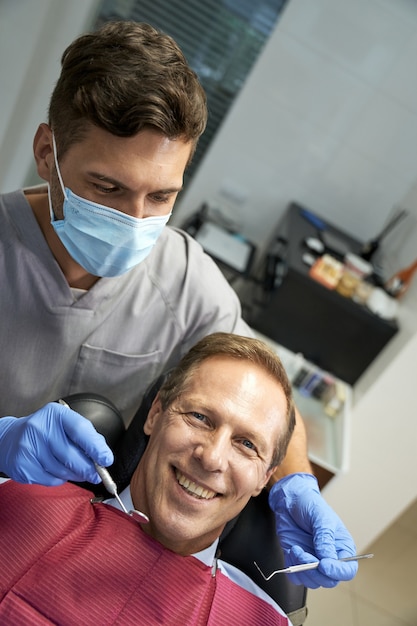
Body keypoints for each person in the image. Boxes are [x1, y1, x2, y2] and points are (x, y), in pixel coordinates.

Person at [0, 20, 356, 589]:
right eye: (108, 189)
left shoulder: (188, 286)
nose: (136, 221)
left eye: (161, 195)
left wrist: (296, 485)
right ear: (48, 152)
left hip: (72, 546)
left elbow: (270, 406)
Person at [0, 333, 297, 625]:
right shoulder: (15, 499)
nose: (212, 459)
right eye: (199, 417)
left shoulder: (262, 618)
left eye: (247, 444)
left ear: (265, 477)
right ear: (155, 413)